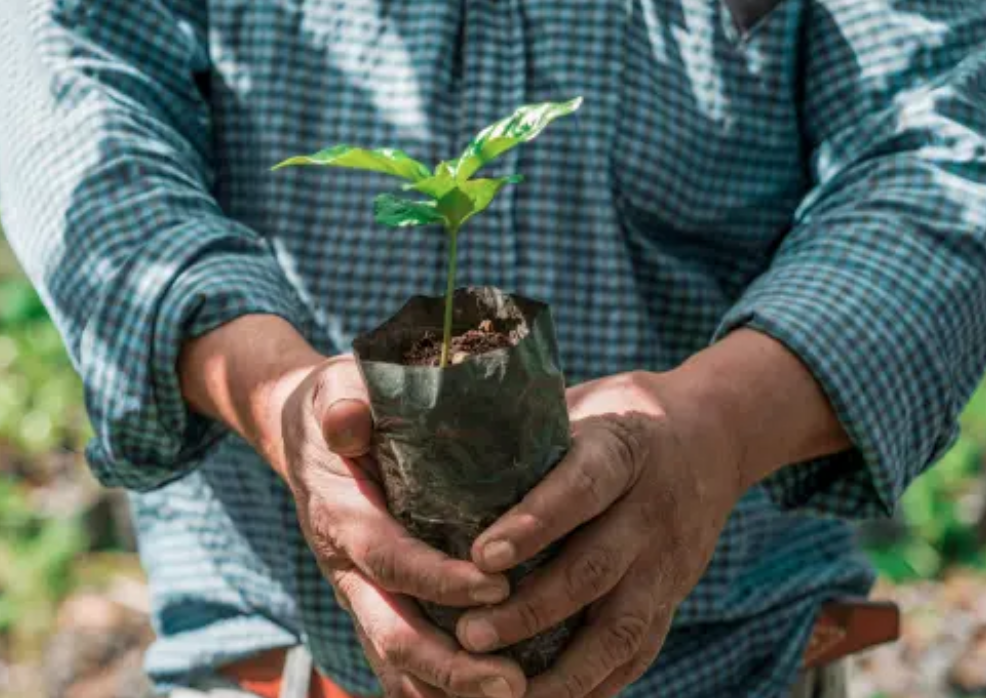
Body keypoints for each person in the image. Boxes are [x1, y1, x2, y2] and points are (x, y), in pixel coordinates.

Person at [2, 1, 985, 696]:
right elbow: (67, 97)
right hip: (282, 659)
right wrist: (275, 395)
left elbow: (943, 144)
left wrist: (719, 425)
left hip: (735, 665)